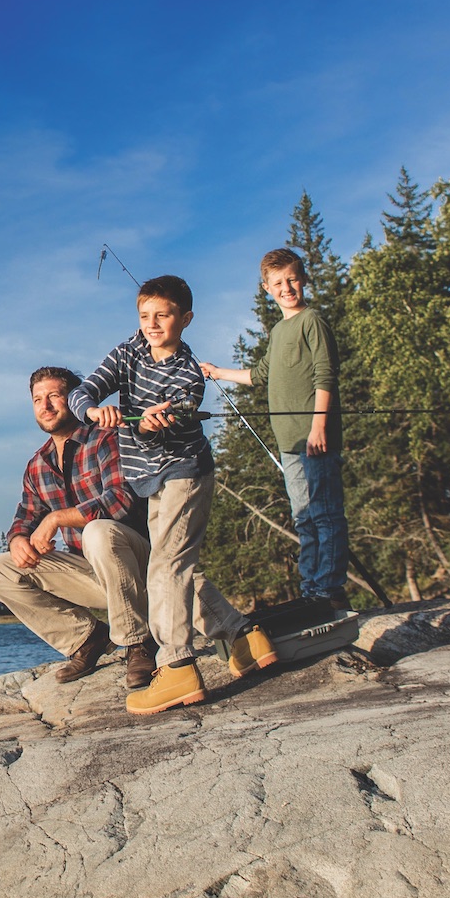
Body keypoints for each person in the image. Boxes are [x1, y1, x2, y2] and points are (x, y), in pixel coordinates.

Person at [72, 275, 275, 715]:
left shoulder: (188, 373)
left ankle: (177, 666)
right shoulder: (128, 350)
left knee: (166, 565)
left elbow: (173, 427)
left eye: (162, 315)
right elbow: (83, 390)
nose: (152, 324)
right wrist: (93, 409)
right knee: (173, 564)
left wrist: (145, 424)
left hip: (186, 473)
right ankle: (244, 638)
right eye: (145, 315)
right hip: (150, 481)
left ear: (185, 319)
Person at [0, 366, 160, 689]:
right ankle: (87, 639)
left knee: (97, 531)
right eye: (37, 399)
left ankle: (140, 642)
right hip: (93, 575)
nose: (45, 406)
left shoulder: (106, 437)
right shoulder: (38, 465)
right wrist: (18, 539)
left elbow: (122, 501)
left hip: (140, 570)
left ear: (74, 400)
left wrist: (56, 519)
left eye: (53, 396)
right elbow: (24, 516)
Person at [200, 247, 350, 613]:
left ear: (304, 279)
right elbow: (260, 375)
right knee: (304, 517)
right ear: (266, 288)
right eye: (278, 282)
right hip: (289, 442)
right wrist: (218, 372)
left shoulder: (311, 320)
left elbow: (325, 374)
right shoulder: (280, 330)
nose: (287, 287)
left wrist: (319, 428)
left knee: (327, 514)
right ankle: (312, 587)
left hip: (315, 437)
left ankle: (330, 589)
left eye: (292, 279)